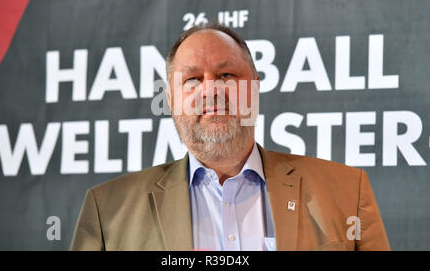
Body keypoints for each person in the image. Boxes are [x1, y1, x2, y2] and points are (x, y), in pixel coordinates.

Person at [70, 23, 390, 251]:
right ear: (171, 100)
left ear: (255, 87)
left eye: (226, 75)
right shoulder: (107, 210)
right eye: (193, 80)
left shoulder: (347, 192)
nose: (211, 90)